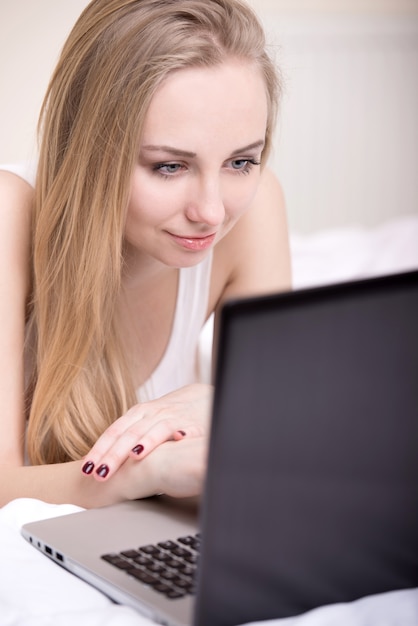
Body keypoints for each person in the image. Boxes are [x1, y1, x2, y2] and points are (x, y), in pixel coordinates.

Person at [0, 0, 290, 508]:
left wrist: (226, 409)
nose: (212, 212)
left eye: (240, 161)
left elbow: (277, 438)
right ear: (88, 150)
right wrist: (142, 472)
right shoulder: (9, 213)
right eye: (169, 167)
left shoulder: (258, 206)